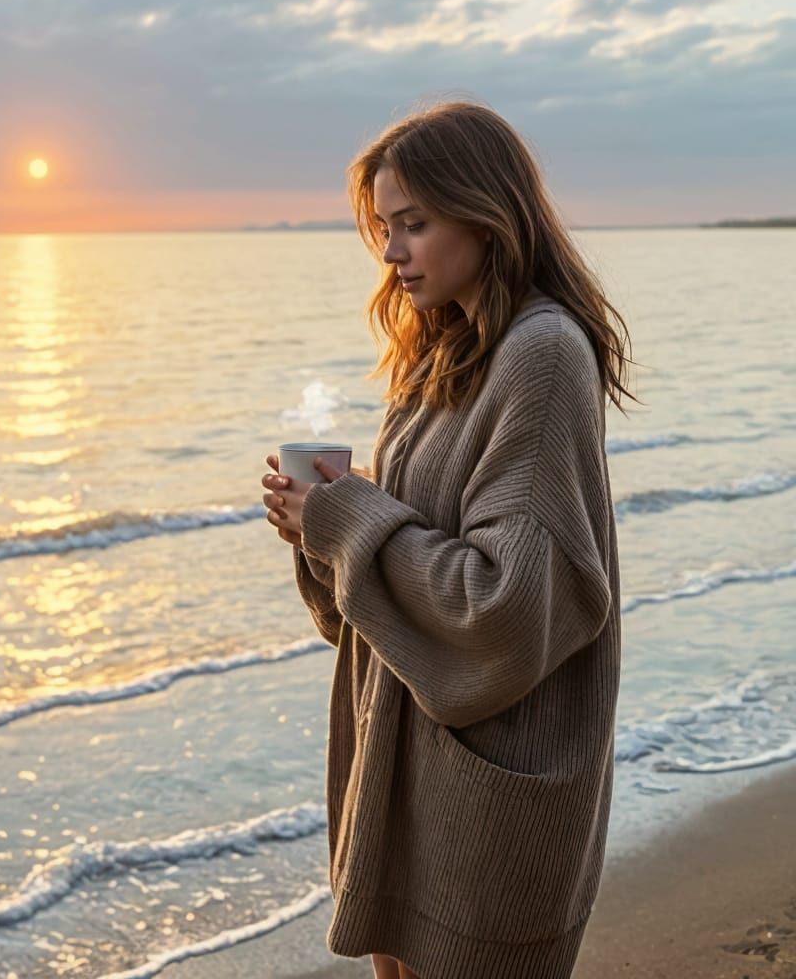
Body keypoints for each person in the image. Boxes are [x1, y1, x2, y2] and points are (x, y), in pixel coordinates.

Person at [261, 98, 640, 979]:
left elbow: (506, 607)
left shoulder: (541, 354)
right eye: (384, 229)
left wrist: (348, 517)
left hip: (488, 809)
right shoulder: (444, 350)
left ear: (487, 213)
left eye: (414, 225)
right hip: (405, 791)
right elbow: (380, 605)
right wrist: (317, 528)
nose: (391, 255)